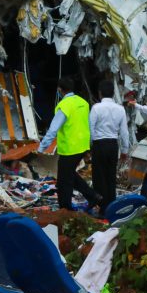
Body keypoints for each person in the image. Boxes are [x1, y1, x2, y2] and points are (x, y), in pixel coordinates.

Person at [38, 77, 101, 210]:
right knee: (68, 174)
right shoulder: (83, 102)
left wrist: (42, 147)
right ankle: (92, 196)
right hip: (82, 145)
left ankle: (65, 208)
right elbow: (88, 123)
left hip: (70, 147)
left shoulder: (64, 105)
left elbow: (53, 129)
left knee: (64, 180)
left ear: (60, 90)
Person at [89, 81, 130, 214]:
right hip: (113, 145)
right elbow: (124, 132)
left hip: (99, 144)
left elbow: (91, 128)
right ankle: (111, 206)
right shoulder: (120, 109)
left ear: (100, 93)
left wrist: (91, 145)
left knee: (99, 176)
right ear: (113, 93)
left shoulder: (96, 108)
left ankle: (101, 206)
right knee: (110, 175)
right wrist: (124, 150)